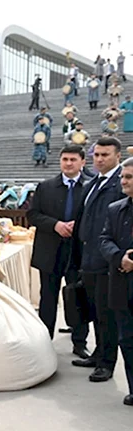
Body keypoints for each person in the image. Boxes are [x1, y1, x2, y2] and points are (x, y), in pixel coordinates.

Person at [27, 144, 91, 357]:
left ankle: (79, 342)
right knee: (48, 297)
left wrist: (78, 226)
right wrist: (56, 225)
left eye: (73, 159)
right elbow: (33, 214)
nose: (68, 163)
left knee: (78, 296)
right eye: (65, 159)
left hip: (78, 253)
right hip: (50, 251)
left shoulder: (90, 187)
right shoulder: (45, 187)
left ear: (83, 162)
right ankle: (45, 339)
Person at [72, 137, 124, 382]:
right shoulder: (92, 182)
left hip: (107, 260)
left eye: (105, 155)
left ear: (117, 157)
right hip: (88, 257)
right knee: (93, 310)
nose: (100, 159)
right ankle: (97, 352)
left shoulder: (119, 184)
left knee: (107, 314)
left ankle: (107, 361)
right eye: (97, 155)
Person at [98, 157, 133, 406]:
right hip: (122, 285)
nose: (123, 181)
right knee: (127, 340)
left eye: (129, 177)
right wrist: (120, 257)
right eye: (122, 177)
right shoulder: (115, 209)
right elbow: (104, 240)